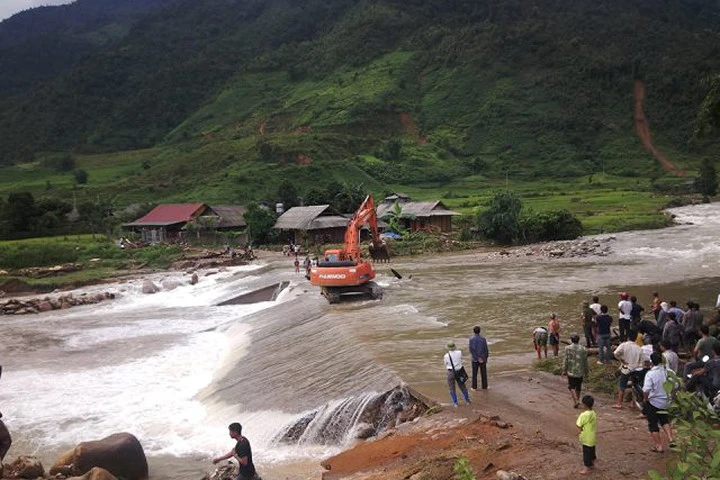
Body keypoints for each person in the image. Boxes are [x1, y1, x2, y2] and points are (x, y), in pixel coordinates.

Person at [643, 352, 675, 453]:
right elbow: (676, 385)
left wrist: (646, 399)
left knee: (652, 424)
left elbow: (646, 390)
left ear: (652, 362)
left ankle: (659, 446)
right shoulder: (670, 372)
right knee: (664, 420)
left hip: (654, 401)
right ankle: (670, 438)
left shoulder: (650, 374)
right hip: (666, 401)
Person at [613, 330, 644, 409]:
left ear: (628, 337)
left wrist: (621, 359)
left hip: (626, 369)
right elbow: (641, 362)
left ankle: (619, 403)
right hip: (635, 369)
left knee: (622, 386)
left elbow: (615, 353)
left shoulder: (624, 345)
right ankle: (632, 403)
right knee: (634, 386)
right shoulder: (639, 348)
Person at [562, 334, 589, 408]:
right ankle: (577, 399)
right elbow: (585, 361)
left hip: (571, 370)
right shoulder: (583, 349)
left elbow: (566, 360)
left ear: (571, 340)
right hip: (580, 371)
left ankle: (576, 400)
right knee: (578, 386)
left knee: (571, 386)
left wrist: (564, 369)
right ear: (578, 340)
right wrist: (586, 371)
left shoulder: (567, 348)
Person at [444, 342, 471, 407]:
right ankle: (467, 401)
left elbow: (446, 364)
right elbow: (461, 359)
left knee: (452, 388)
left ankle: (455, 403)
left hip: (450, 372)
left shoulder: (446, 356)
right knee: (462, 386)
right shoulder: (459, 352)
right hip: (459, 371)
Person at [576, 395, 597, 475]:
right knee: (591, 450)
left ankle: (586, 467)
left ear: (584, 405)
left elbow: (578, 425)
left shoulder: (584, 415)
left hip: (586, 436)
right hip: (592, 436)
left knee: (586, 452)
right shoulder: (593, 413)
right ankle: (592, 463)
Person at [468, 326, 489, 391]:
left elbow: (471, 350)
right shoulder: (483, 339)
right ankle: (484, 386)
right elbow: (486, 349)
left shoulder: (471, 339)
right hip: (483, 358)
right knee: (484, 373)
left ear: (473, 331)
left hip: (475, 359)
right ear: (480, 331)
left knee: (474, 373)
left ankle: (474, 387)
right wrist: (485, 358)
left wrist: (477, 358)